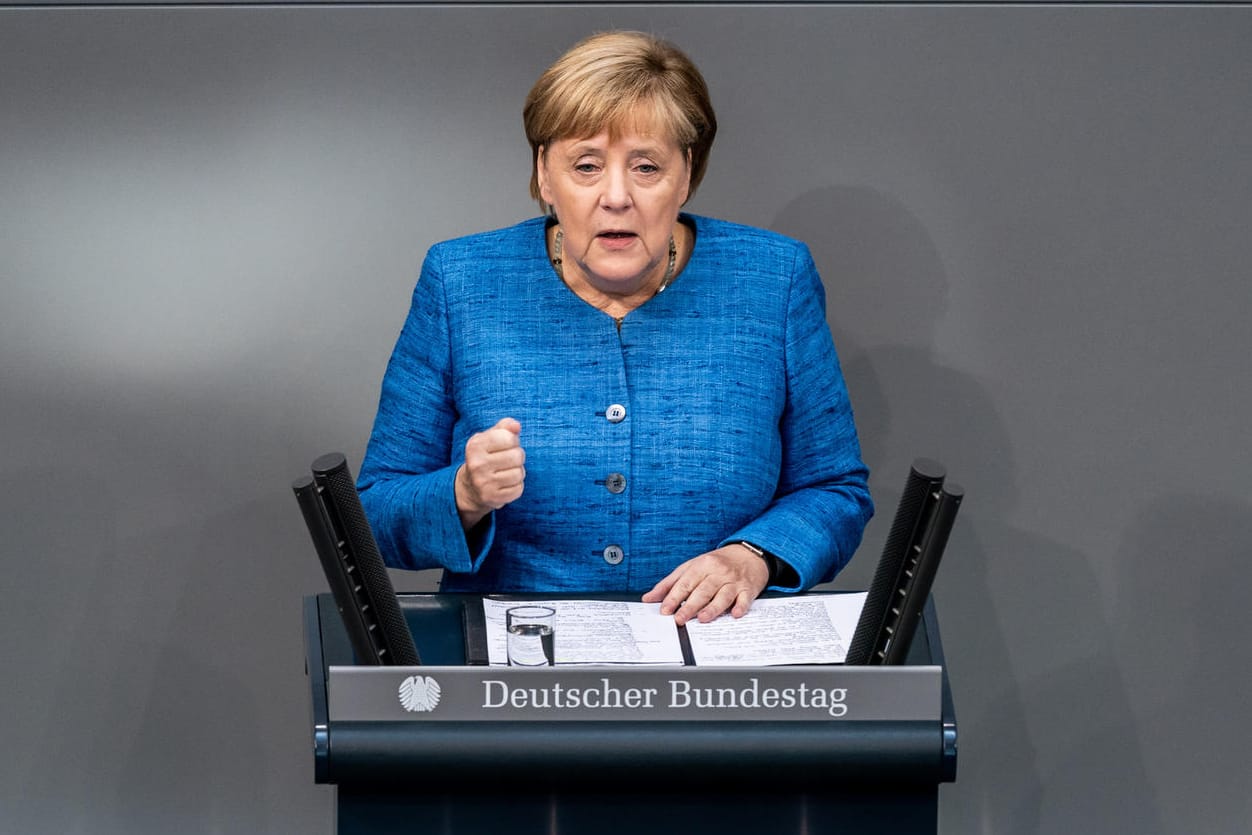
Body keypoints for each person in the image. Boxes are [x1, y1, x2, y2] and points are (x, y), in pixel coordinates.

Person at [358, 31, 872, 626]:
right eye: (586, 165)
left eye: (647, 166)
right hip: (518, 679)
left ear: (687, 178)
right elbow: (376, 511)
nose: (617, 196)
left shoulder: (773, 279)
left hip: (714, 675)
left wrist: (752, 557)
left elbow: (835, 489)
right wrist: (463, 496)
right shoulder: (461, 281)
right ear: (544, 178)